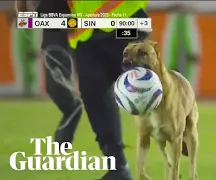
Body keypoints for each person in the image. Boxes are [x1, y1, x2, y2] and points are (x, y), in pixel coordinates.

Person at [65, 1, 149, 179]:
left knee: (142, 91)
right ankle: (118, 168)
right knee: (94, 96)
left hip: (124, 20)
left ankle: (178, 142)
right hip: (86, 33)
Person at [12, 0, 82, 145]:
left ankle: (72, 113)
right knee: (53, 87)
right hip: (50, 27)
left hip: (70, 26)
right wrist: (23, 16)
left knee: (57, 86)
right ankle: (72, 109)